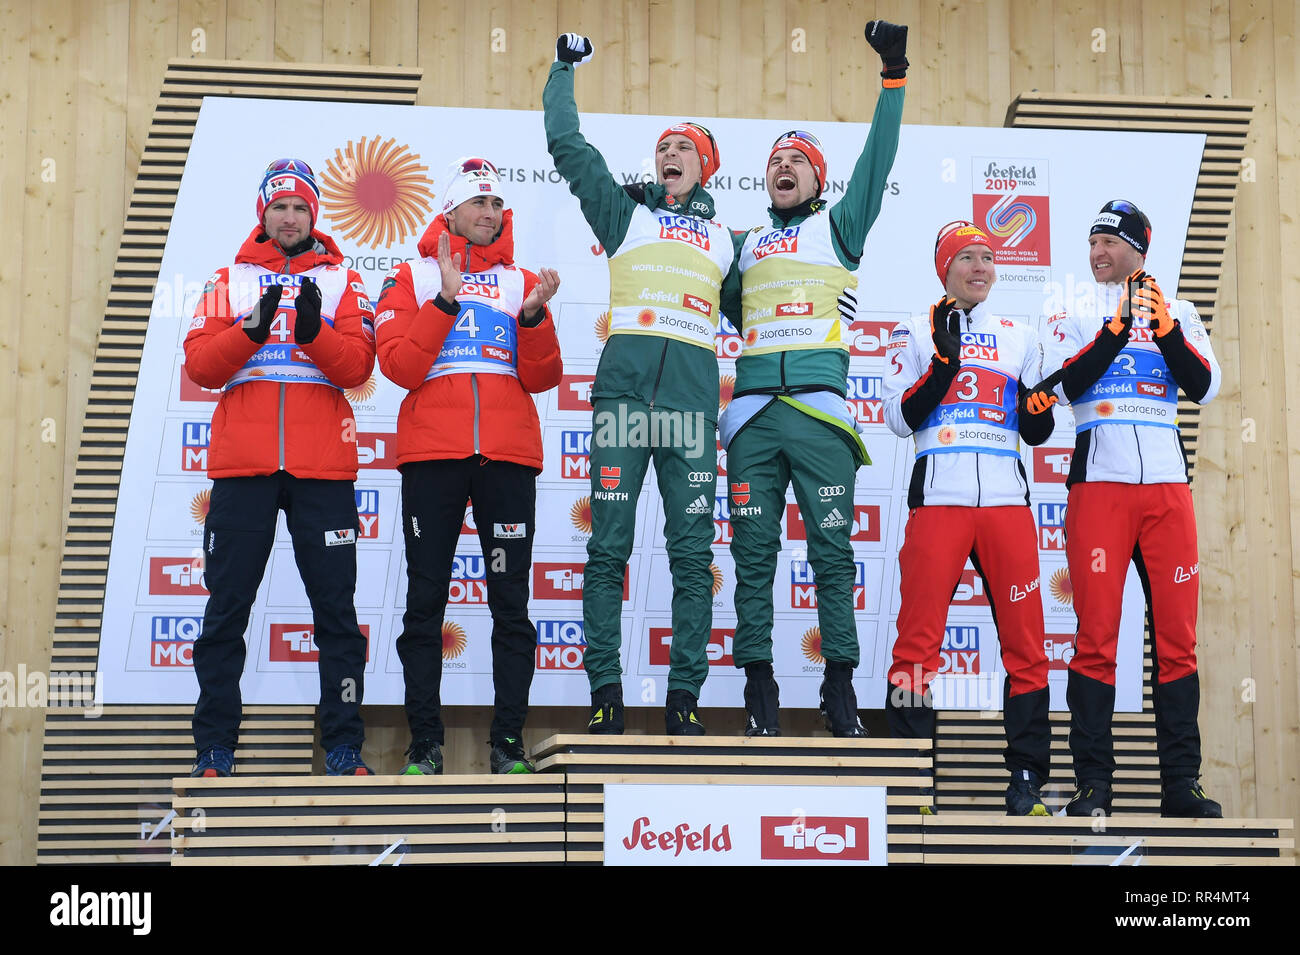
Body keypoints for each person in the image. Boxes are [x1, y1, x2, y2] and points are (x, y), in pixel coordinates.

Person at [719, 20, 908, 738]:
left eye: (797, 161)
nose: (783, 169)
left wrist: (893, 74)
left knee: (832, 555)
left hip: (824, 418)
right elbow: (704, 286)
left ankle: (839, 688)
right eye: (775, 162)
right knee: (753, 557)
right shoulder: (743, 243)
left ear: (818, 179)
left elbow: (877, 157)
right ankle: (759, 688)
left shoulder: (841, 227)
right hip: (753, 422)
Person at [545, 34, 737, 735]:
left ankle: (684, 697)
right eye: (661, 148)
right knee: (608, 551)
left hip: (688, 413)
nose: (667, 155)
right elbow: (569, 147)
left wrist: (831, 311)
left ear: (705, 164)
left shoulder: (727, 242)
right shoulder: (628, 217)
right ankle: (606, 694)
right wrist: (565, 69)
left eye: (681, 147)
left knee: (692, 559)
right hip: (625, 404)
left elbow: (773, 309)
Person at [185, 158, 377, 777]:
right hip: (244, 468)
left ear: (313, 215)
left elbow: (356, 369)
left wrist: (315, 331)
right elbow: (201, 368)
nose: (289, 217)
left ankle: (344, 747)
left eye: (299, 208)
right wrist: (251, 331)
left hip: (322, 469)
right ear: (262, 214)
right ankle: (214, 749)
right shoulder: (228, 279)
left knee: (337, 617)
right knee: (226, 611)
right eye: (279, 207)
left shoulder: (345, 279)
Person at [1031, 200, 1223, 817]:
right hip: (1099, 487)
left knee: (1178, 642)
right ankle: (1093, 785)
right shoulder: (1067, 310)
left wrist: (1162, 328)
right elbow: (1059, 388)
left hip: (1167, 490)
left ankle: (1181, 785)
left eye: (1108, 244)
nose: (1096, 255)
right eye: (1091, 244)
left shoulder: (1182, 312)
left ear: (1138, 249)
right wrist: (1114, 330)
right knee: (1094, 640)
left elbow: (1204, 387)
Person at [375, 158, 562, 775]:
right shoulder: (412, 275)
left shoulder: (521, 281)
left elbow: (543, 376)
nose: (490, 213)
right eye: (478, 204)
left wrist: (532, 318)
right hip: (433, 457)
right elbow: (399, 367)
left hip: (507, 458)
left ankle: (506, 743)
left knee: (510, 607)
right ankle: (424, 744)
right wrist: (445, 302)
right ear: (450, 212)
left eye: (497, 206)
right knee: (425, 604)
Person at [882, 221, 1056, 815]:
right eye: (968, 258)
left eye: (988, 257)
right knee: (917, 644)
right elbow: (899, 419)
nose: (981, 267)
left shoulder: (1020, 335)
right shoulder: (914, 329)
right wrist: (942, 363)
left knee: (1027, 646)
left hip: (1007, 504)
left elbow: (1037, 430)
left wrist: (1039, 410)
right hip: (939, 500)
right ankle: (910, 782)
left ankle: (1028, 780)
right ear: (945, 269)